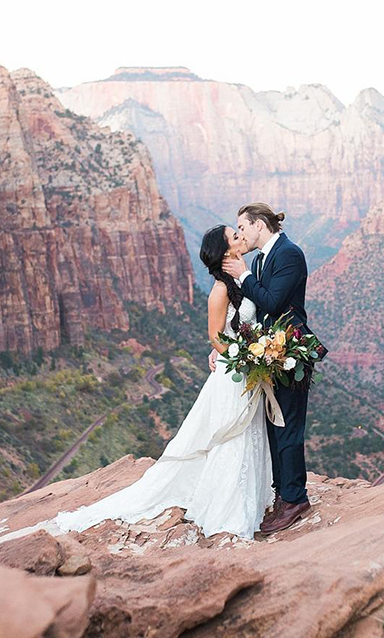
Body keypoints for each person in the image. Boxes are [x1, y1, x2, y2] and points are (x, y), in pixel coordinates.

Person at [40, 225, 275, 540]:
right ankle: (228, 509)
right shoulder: (220, 289)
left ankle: (251, 500)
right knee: (231, 434)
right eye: (235, 237)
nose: (240, 238)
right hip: (233, 372)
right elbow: (216, 335)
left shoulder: (242, 278)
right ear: (225, 252)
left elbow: (243, 323)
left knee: (249, 431)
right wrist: (242, 357)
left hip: (246, 367)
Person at [221, 202, 325, 534]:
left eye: (242, 226)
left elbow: (273, 302)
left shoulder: (288, 254)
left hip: (291, 353)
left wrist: (245, 276)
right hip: (271, 355)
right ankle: (284, 494)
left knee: (288, 428)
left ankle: (295, 499)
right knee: (274, 427)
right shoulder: (265, 256)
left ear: (259, 225)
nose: (240, 234)